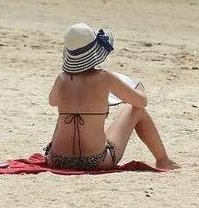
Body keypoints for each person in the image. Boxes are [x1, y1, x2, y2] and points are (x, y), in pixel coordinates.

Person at [44, 23, 178, 171]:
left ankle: (163, 161)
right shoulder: (105, 78)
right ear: (95, 52)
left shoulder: (62, 78)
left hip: (56, 159)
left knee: (64, 113)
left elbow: (53, 101)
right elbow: (141, 102)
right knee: (136, 109)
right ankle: (163, 160)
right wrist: (139, 88)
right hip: (96, 161)